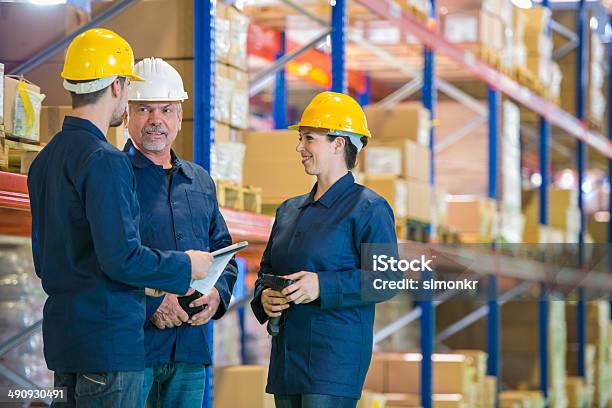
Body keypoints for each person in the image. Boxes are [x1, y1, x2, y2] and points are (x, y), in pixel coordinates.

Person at [28, 29, 213, 407]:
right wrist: (186, 265)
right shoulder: (107, 160)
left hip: (67, 343)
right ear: (117, 86)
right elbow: (121, 258)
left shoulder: (45, 159)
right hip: (109, 345)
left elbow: (45, 262)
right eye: (134, 95)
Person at [250, 92, 399, 408]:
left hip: (332, 366)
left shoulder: (369, 208)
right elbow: (266, 272)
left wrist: (322, 285)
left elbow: (386, 280)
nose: (299, 147)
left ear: (338, 144)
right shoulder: (289, 210)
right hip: (287, 362)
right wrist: (264, 297)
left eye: (309, 138)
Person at [123, 57, 237, 407]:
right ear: (127, 112)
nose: (156, 120)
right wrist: (153, 302)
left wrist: (217, 294)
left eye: (167, 109)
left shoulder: (200, 181)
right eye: (145, 108)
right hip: (134, 351)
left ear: (178, 117)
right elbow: (104, 258)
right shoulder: (112, 176)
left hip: (190, 348)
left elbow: (224, 253)